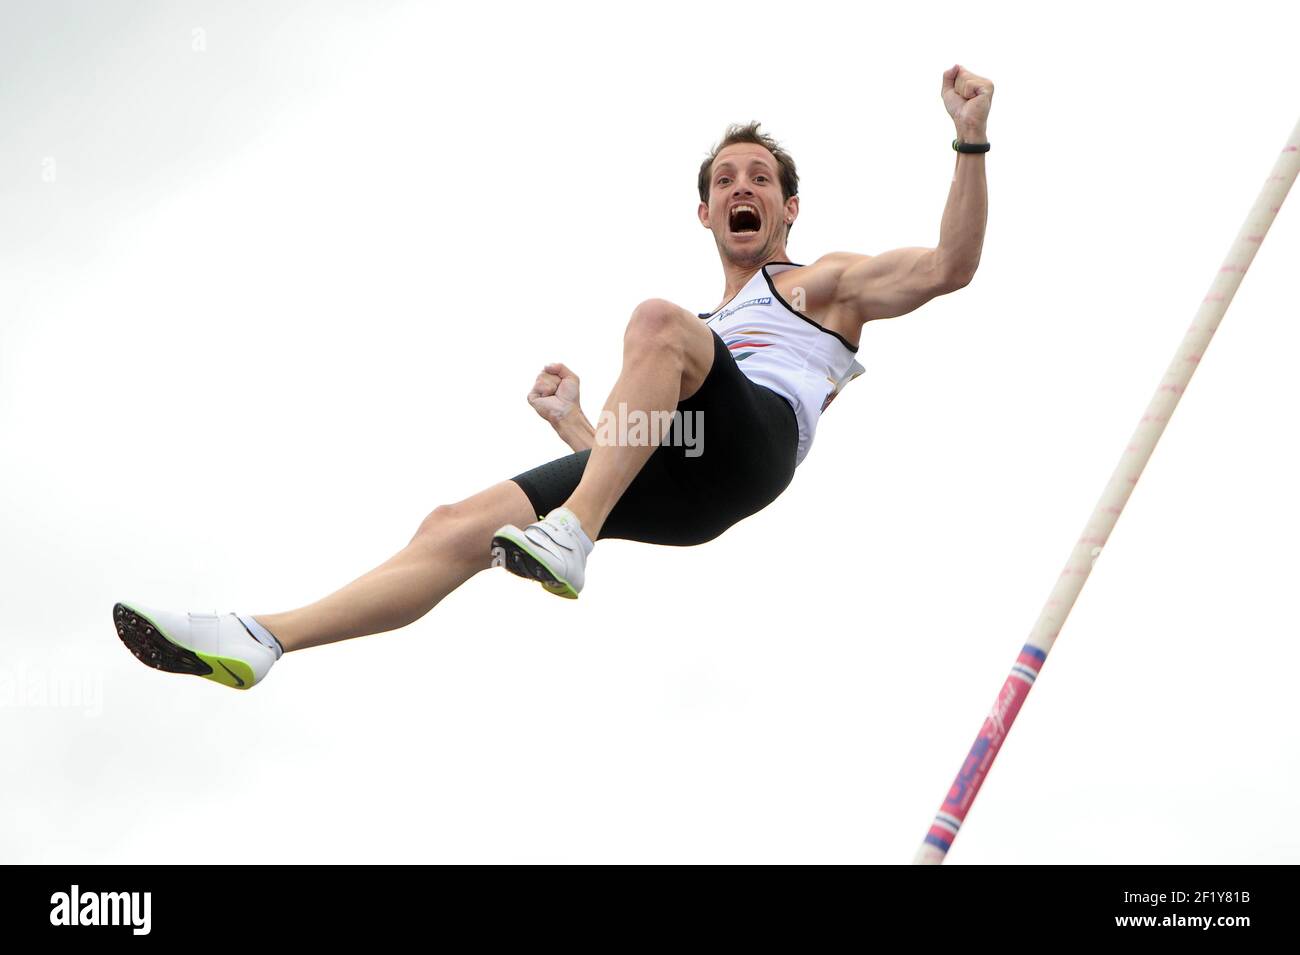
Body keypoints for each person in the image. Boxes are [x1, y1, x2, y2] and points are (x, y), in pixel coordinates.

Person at [112, 65, 994, 689]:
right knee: (454, 524)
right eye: (725, 179)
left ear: (787, 206)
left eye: (759, 177)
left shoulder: (822, 284)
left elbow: (952, 264)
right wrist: (578, 425)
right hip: (688, 484)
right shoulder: (697, 335)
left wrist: (969, 140)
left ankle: (570, 537)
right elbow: (645, 452)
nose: (742, 187)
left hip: (756, 448)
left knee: (656, 322)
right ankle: (266, 636)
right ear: (704, 212)